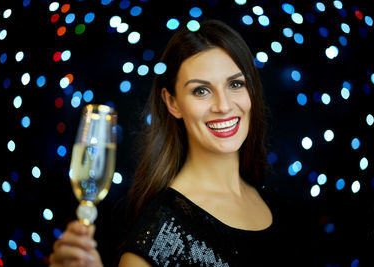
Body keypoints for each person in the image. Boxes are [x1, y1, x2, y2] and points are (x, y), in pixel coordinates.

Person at [50, 20, 290, 267]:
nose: (224, 105)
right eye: (201, 91)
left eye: (235, 84)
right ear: (172, 102)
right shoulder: (158, 234)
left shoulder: (278, 203)